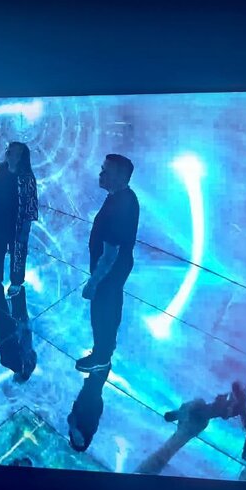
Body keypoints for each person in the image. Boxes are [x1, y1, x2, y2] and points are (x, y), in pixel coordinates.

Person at [76, 154, 140, 373]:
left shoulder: (121, 205)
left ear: (120, 177)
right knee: (111, 307)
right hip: (115, 268)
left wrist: (92, 283)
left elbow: (110, 254)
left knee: (102, 312)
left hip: (109, 271)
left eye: (106, 171)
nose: (100, 174)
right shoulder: (120, 197)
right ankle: (107, 347)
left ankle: (101, 357)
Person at [0, 142, 39, 298]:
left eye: (12, 151)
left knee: (18, 252)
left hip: (17, 222)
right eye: (8, 150)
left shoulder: (27, 177)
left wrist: (26, 226)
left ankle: (16, 281)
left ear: (20, 157)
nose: (8, 153)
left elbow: (31, 203)